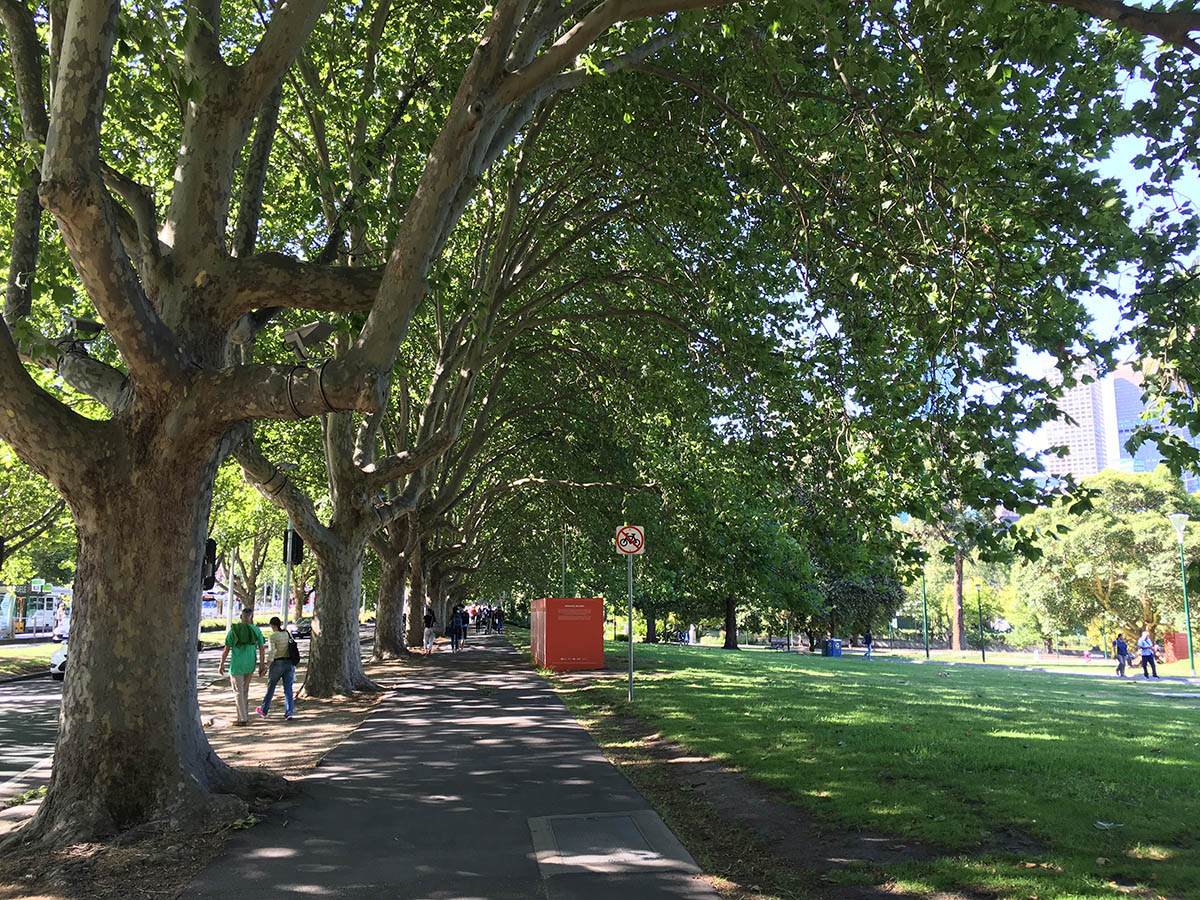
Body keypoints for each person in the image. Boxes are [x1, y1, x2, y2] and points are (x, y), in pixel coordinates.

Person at [219, 608, 266, 726]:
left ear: (241, 617)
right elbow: (261, 648)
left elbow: (226, 649)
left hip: (236, 665)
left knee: (238, 692)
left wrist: (221, 664)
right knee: (245, 690)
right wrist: (261, 665)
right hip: (250, 664)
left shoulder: (234, 630)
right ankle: (244, 715)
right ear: (252, 618)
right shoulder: (256, 630)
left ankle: (242, 718)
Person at [256, 617, 296, 721]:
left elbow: (272, 652)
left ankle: (264, 710)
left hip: (277, 663)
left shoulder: (273, 636)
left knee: (271, 687)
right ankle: (289, 712)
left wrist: (266, 666)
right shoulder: (287, 633)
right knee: (288, 689)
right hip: (289, 663)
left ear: (273, 626)